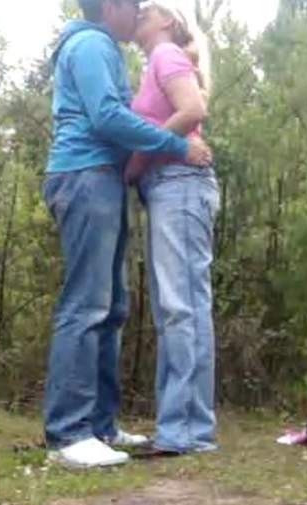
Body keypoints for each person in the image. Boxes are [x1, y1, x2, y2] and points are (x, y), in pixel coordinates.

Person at [43, 0, 213, 469]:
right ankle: (69, 433)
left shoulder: (102, 47)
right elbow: (107, 117)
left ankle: (100, 426)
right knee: (86, 304)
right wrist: (176, 144)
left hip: (103, 179)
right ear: (111, 5)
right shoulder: (91, 44)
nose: (137, 14)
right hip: (85, 174)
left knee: (112, 306)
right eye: (133, 6)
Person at [126, 1, 220, 454]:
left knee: (183, 308)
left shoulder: (165, 54)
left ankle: (186, 431)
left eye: (146, 11)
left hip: (179, 183)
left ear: (167, 21)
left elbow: (193, 108)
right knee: (175, 310)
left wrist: (137, 162)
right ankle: (180, 425)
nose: (137, 15)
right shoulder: (158, 63)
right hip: (169, 186)